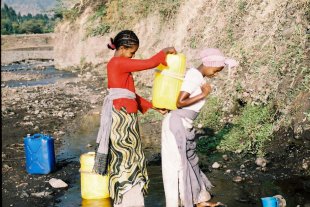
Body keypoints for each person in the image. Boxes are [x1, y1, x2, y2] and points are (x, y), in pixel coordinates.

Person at [92, 29, 175, 207]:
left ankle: (129, 197)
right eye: (131, 52)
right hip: (121, 119)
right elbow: (149, 63)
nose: (132, 56)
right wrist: (164, 51)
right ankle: (127, 198)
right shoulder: (117, 63)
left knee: (131, 157)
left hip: (125, 117)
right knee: (126, 158)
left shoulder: (119, 64)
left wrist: (154, 105)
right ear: (122, 48)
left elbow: (130, 95)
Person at [161, 48, 238, 207]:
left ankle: (197, 200)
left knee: (189, 161)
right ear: (209, 65)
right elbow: (180, 102)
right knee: (177, 167)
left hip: (183, 124)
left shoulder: (198, 76)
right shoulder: (194, 76)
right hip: (176, 125)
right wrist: (203, 94)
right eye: (216, 70)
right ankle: (177, 203)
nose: (216, 74)